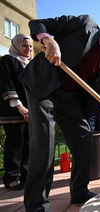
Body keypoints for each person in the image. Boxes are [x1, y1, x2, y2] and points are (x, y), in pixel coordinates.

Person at [18, 15, 100, 212]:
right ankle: (37, 205)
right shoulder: (84, 25)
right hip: (44, 87)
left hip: (68, 97)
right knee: (44, 143)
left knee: (84, 138)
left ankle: (80, 191)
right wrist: (49, 40)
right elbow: (38, 24)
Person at [0, 34, 32, 190]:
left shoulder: (31, 64)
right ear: (18, 45)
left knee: (28, 143)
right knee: (15, 144)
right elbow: (6, 84)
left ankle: (26, 176)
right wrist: (20, 107)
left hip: (30, 111)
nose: (28, 49)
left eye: (31, 46)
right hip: (14, 110)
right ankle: (11, 178)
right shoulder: (7, 61)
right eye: (25, 45)